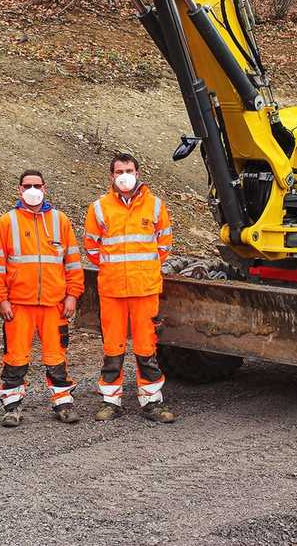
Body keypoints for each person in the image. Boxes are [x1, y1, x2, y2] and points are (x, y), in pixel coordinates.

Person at [0, 170, 84, 428]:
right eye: (27, 185)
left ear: (45, 187)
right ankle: (12, 407)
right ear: (19, 189)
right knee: (15, 358)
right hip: (18, 306)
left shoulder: (60, 221)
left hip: (54, 305)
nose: (32, 189)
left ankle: (63, 404)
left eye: (36, 185)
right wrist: (1, 300)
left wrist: (72, 296)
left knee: (56, 357)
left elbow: (72, 263)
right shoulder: (6, 223)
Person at [83, 153, 176, 424]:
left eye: (129, 169)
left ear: (138, 173)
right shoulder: (99, 208)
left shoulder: (156, 206)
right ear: (111, 176)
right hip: (112, 290)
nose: (125, 175)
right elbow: (91, 247)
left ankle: (152, 402)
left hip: (144, 289)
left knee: (146, 347)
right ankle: (110, 401)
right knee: (113, 347)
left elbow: (164, 245)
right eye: (119, 170)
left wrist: (142, 270)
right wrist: (116, 270)